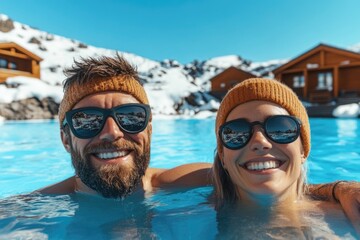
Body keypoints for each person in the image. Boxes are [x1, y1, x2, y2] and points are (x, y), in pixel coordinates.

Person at [38, 54, 360, 223]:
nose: (111, 132)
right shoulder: (33, 212)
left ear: (149, 129)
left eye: (130, 117)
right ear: (66, 138)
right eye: (87, 121)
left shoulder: (178, 183)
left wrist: (339, 190)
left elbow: (256, 176)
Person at [213, 77, 359, 237]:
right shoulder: (189, 204)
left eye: (280, 128)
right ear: (223, 156)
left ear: (303, 149)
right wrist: (336, 189)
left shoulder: (349, 215)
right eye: (236, 132)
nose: (260, 142)